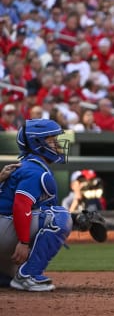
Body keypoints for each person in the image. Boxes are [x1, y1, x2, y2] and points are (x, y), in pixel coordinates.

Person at [0, 119, 72, 291]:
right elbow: (21, 206)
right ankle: (29, 276)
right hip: (3, 230)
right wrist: (23, 242)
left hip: (3, 228)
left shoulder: (28, 166)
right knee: (60, 216)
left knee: (9, 276)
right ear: (36, 143)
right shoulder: (34, 170)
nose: (57, 144)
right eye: (51, 140)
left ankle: (5, 275)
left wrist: (77, 220)